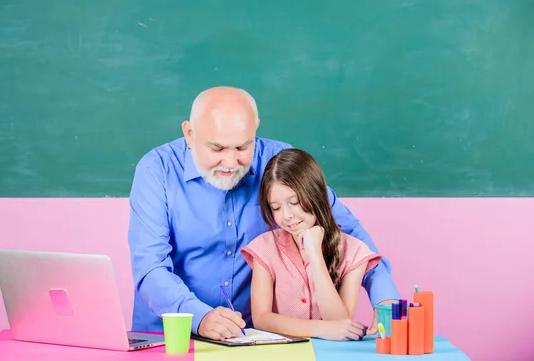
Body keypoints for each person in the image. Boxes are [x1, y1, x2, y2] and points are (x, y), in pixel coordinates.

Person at [127, 86, 400, 341]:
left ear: (255, 129)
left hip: (252, 339)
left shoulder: (279, 161)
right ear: (189, 134)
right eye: (217, 148)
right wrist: (200, 317)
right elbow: (150, 267)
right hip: (171, 335)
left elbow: (345, 228)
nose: (231, 162)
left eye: (243, 147)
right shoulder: (156, 170)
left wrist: (384, 295)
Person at [240, 148, 382, 341]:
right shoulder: (265, 248)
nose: (287, 215)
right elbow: (262, 319)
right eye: (276, 207)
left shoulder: (354, 251)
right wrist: (319, 329)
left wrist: (315, 255)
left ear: (315, 195)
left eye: (295, 202)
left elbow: (339, 321)